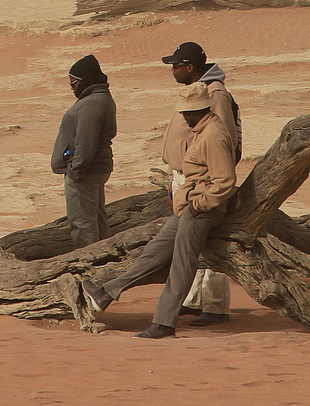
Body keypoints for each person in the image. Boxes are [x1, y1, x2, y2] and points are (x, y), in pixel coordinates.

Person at [81, 82, 237, 338]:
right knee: (154, 252)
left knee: (182, 264)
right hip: (189, 206)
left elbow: (225, 181)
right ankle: (106, 293)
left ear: (200, 109)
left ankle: (164, 323)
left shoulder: (214, 134)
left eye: (188, 112)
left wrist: (198, 206)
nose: (185, 117)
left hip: (201, 210)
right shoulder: (202, 130)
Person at [162, 40, 239, 324]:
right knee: (190, 242)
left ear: (190, 67)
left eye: (176, 65)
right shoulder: (195, 91)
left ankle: (216, 306)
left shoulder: (214, 94)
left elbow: (222, 139)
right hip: (185, 174)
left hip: (204, 179)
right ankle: (195, 300)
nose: (172, 70)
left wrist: (204, 184)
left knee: (210, 240)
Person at [51, 54, 117, 248]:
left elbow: (85, 142)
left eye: (73, 83)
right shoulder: (100, 98)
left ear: (84, 81)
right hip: (96, 168)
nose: (72, 88)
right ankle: (104, 257)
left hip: (85, 173)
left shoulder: (90, 104)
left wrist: (75, 169)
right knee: (97, 218)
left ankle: (89, 268)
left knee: (82, 224)